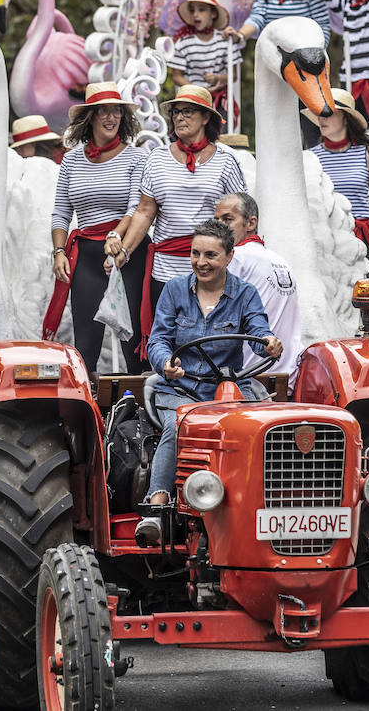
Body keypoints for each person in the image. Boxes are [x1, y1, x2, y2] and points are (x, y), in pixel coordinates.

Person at [139, 220, 282, 546]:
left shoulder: (245, 294)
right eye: (195, 253)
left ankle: (261, 501)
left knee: (259, 427)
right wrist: (166, 363)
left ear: (229, 257)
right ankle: (156, 506)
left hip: (225, 390)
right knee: (179, 426)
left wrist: (270, 342)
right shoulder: (175, 290)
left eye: (210, 255)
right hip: (181, 388)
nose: (201, 262)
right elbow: (158, 340)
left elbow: (259, 332)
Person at [109, 85, 247, 354]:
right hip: (165, 267)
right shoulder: (157, 159)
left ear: (206, 117)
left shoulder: (226, 161)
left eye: (188, 112)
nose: (180, 118)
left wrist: (237, 256)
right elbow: (145, 211)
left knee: (208, 341)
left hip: (211, 266)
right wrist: (124, 250)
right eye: (176, 113)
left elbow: (237, 217)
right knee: (168, 340)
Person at [45, 83, 149, 372]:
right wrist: (58, 252)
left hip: (128, 251)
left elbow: (135, 207)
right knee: (86, 345)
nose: (111, 117)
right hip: (86, 255)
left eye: (116, 111)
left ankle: (139, 410)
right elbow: (61, 212)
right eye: (103, 110)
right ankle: (86, 411)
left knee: (133, 342)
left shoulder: (136, 157)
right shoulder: (71, 160)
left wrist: (118, 237)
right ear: (89, 117)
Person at [307, 88, 369, 293]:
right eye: (320, 113)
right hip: (325, 244)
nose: (322, 118)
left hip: (360, 240)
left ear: (346, 118)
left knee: (367, 306)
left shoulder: (368, 154)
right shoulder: (310, 157)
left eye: (329, 113)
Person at [214, 192, 303, 387]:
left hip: (246, 378)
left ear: (251, 223)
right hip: (287, 375)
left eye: (227, 219)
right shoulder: (279, 260)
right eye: (216, 220)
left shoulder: (235, 258)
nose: (219, 227)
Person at [168, 0, 236, 120]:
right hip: (192, 101)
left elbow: (233, 75)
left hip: (219, 100)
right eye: (192, 10)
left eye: (201, 9)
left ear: (213, 14)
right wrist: (197, 90)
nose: (195, 15)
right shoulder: (184, 42)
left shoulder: (225, 42)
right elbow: (176, 76)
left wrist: (217, 79)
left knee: (221, 127)